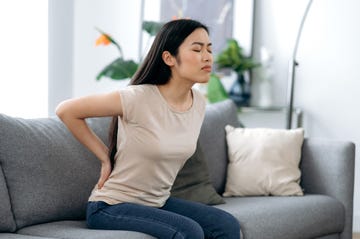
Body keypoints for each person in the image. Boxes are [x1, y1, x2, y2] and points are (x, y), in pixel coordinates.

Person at [56, 19, 240, 239]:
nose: (207, 56)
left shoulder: (198, 102)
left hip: (156, 203)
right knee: (189, 232)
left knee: (226, 225)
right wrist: (105, 157)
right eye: (197, 49)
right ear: (168, 57)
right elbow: (66, 110)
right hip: (111, 206)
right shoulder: (138, 97)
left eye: (209, 49)